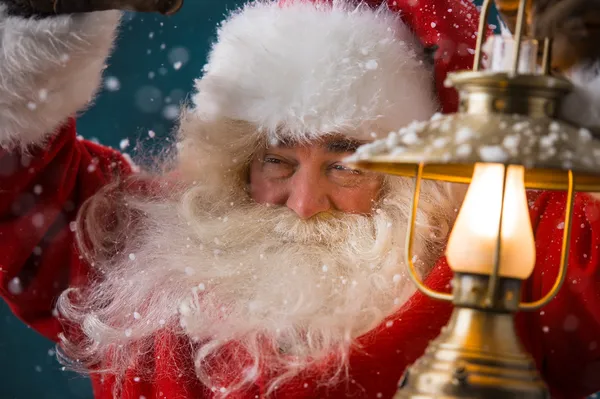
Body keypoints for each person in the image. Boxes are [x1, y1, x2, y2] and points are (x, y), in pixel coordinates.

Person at [0, 0, 599, 398]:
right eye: (278, 162)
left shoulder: (498, 256)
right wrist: (35, 34)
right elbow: (20, 186)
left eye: (346, 165)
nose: (304, 203)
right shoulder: (157, 255)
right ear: (237, 163)